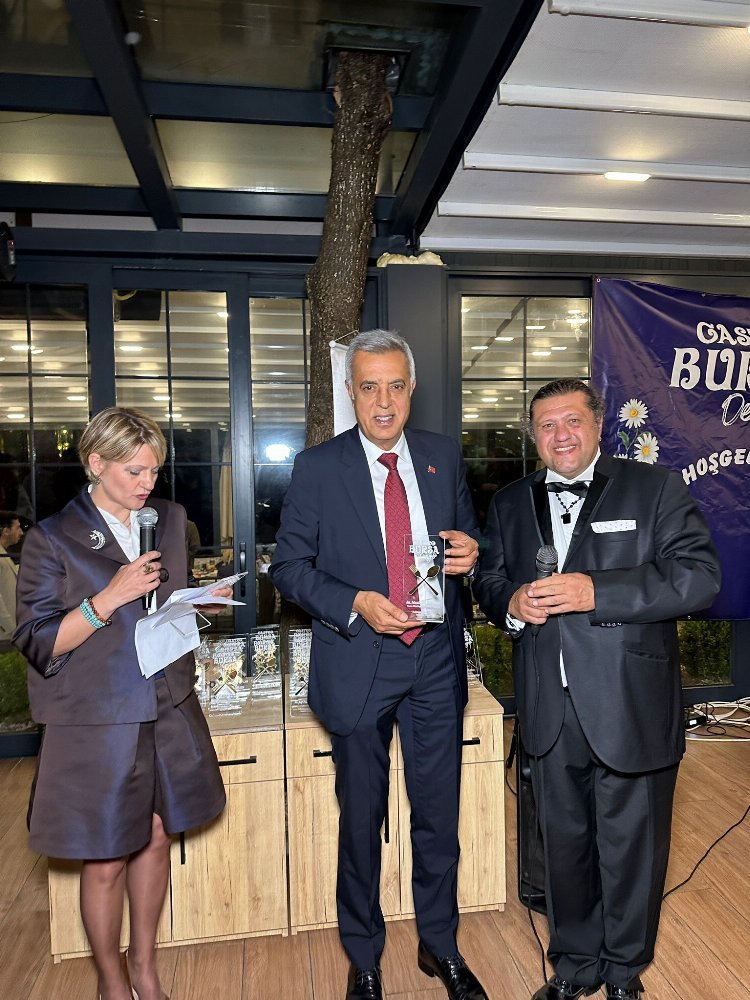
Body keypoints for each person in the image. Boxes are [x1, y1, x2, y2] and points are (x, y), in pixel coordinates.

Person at [473, 379, 721, 1000]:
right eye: (547, 425)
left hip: (629, 703)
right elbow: (489, 582)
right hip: (547, 707)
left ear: (599, 425)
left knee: (632, 846)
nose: (561, 435)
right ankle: (575, 965)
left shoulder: (655, 487)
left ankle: (625, 972)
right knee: (564, 846)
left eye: (572, 421)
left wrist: (596, 592)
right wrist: (511, 603)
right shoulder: (509, 502)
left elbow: (698, 578)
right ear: (534, 436)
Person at [270, 330, 487, 1000]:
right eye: (369, 387)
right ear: (351, 391)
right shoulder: (317, 468)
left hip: (435, 661)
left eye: (395, 385)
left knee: (438, 815)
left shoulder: (442, 456)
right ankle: (363, 957)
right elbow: (288, 568)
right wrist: (355, 601)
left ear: (412, 388)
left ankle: (440, 946)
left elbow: (469, 541)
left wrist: (471, 554)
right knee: (362, 821)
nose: (384, 401)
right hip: (359, 662)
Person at [13, 407, 229, 1000]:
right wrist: (106, 599)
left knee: (156, 835)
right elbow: (38, 641)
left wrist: (195, 604)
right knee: (107, 855)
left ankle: (144, 969)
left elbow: (161, 605)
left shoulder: (169, 519)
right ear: (96, 464)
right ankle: (110, 981)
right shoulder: (51, 538)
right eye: (134, 471)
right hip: (97, 718)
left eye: (154, 471)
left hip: (167, 703)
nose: (146, 484)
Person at [0, 510, 23, 641]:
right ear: (6, 531)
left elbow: (7, 575)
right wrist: (11, 628)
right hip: (4, 634)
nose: (21, 532)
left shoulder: (3, 554)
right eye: (18, 528)